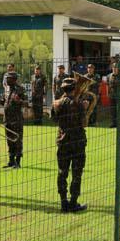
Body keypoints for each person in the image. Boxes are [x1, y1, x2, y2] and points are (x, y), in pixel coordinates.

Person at [53, 77, 88, 213]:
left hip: (62, 140)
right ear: (74, 89)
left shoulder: (56, 103)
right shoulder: (78, 104)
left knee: (62, 172)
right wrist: (84, 109)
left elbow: (54, 119)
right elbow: (84, 123)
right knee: (77, 172)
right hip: (78, 141)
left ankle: (63, 202)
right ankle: (73, 202)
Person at [3, 72, 27, 169]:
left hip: (16, 120)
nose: (7, 80)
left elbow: (26, 103)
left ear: (14, 79)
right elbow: (4, 102)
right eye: (6, 78)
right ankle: (11, 161)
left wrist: (19, 101)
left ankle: (17, 162)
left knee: (17, 140)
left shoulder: (20, 89)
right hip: (7, 119)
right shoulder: (7, 89)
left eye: (9, 78)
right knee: (9, 141)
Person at [107, 63, 120, 129]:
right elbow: (108, 86)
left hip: (119, 95)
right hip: (111, 95)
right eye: (114, 67)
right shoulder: (109, 76)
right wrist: (108, 93)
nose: (115, 69)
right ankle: (113, 123)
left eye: (116, 67)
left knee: (119, 110)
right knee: (112, 110)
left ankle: (119, 123)